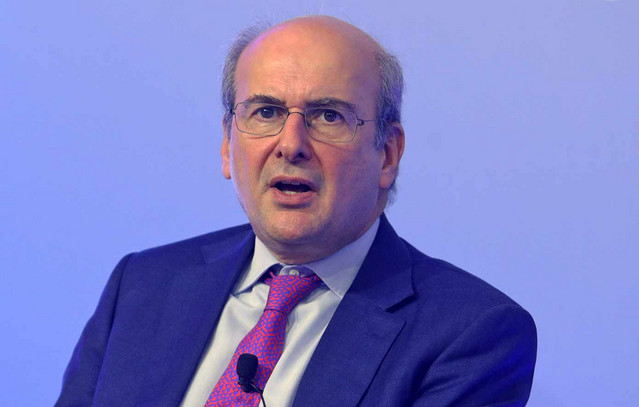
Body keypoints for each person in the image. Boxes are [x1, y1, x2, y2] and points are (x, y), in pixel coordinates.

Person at [56, 15, 537, 407]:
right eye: (265, 112)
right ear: (227, 144)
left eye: (328, 116)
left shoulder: (471, 334)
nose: (291, 144)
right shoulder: (142, 285)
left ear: (388, 155)